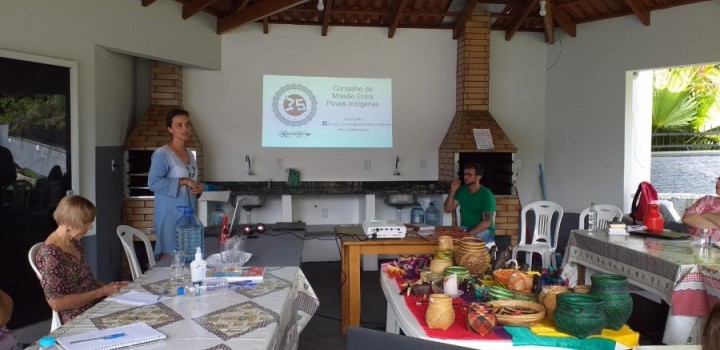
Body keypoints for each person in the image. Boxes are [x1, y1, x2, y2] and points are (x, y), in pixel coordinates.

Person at [35, 195, 129, 324]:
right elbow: (57, 303)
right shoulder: (51, 254)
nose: (90, 226)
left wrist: (110, 288)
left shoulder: (75, 243)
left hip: (94, 304)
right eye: (86, 222)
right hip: (77, 315)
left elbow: (86, 280)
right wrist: (101, 292)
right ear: (68, 223)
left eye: (91, 221)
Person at [148, 108, 203, 257]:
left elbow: (192, 182)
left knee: (190, 256)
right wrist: (183, 181)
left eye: (187, 124)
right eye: (179, 125)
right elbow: (153, 183)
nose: (185, 128)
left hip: (189, 216)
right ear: (170, 129)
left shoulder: (190, 155)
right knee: (170, 260)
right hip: (170, 216)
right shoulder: (162, 154)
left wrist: (198, 189)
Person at [443, 162, 496, 243]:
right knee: (445, 238)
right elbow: (447, 209)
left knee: (470, 240)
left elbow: (487, 222)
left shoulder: (487, 195)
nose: (465, 177)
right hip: (464, 228)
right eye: (465, 174)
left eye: (469, 175)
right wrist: (453, 191)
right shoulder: (461, 190)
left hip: (484, 230)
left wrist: (468, 234)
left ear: (478, 177)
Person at [682, 176, 720, 243]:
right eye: (719, 180)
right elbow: (687, 219)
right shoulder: (707, 200)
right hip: (694, 247)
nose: (718, 182)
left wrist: (706, 215)